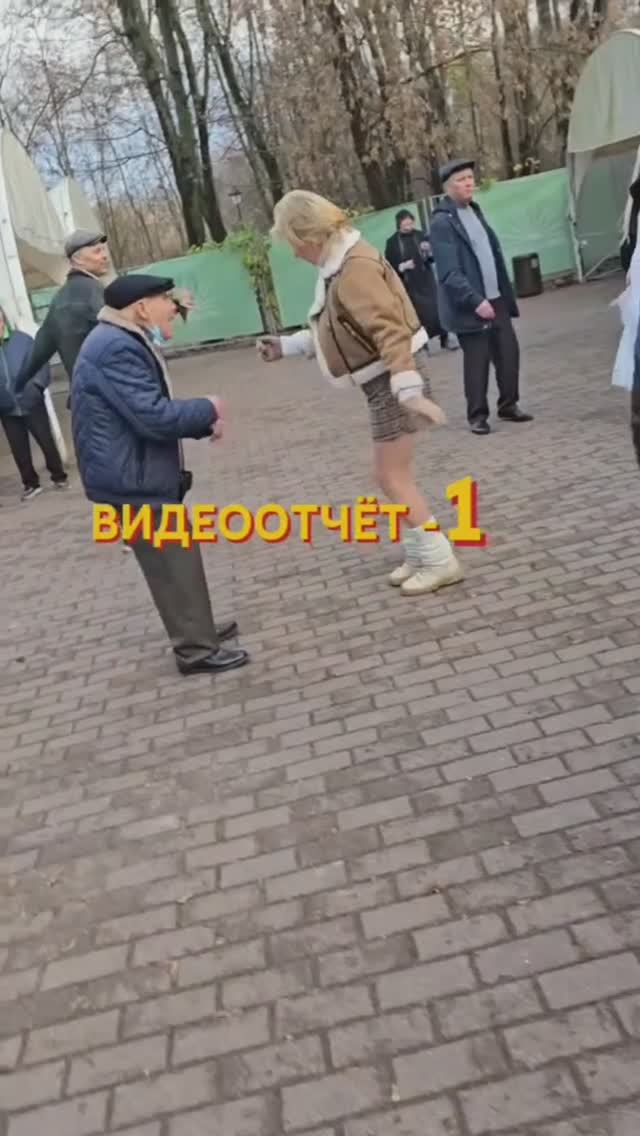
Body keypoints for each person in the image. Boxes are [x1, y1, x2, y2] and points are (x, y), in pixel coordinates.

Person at [257, 189, 463, 597]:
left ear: (308, 234)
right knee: (390, 476)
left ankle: (439, 560)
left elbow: (390, 329)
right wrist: (289, 346)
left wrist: (408, 391)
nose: (294, 253)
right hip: (389, 380)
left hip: (393, 380)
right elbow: (342, 329)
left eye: (293, 242)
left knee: (392, 477)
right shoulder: (343, 264)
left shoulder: (354, 268)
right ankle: (422, 553)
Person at [71, 273, 250, 676]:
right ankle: (196, 650)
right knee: (171, 563)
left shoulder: (117, 337)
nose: (172, 306)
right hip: (132, 479)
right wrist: (209, 407)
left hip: (132, 473)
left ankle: (197, 628)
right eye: (165, 299)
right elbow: (152, 415)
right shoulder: (115, 346)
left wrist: (203, 423)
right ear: (140, 307)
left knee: (176, 557)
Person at [430, 158, 533, 435]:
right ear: (448, 187)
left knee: (508, 354)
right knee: (477, 361)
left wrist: (500, 296)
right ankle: (477, 416)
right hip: (470, 304)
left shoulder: (475, 211)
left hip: (495, 299)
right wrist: (476, 301)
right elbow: (449, 273)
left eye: (470, 178)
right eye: (461, 179)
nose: (468, 183)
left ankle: (508, 405)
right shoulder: (442, 222)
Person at [14, 229, 112, 412]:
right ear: (77, 260)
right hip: (110, 398)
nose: (105, 256)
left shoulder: (59, 300)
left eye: (104, 250)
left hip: (83, 401)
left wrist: (17, 386)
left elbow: (38, 352)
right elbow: (120, 340)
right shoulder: (95, 292)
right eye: (97, 251)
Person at [0, 303, 68, 500]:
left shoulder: (22, 340)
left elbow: (40, 363)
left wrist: (36, 387)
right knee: (19, 448)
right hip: (6, 408)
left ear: (3, 319)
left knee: (45, 440)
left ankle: (58, 476)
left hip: (31, 401)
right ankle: (30, 483)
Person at [385, 209, 457, 352]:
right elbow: (390, 266)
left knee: (437, 309)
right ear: (399, 224)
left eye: (410, 224)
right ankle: (423, 345)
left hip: (426, 279)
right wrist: (403, 266)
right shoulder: (392, 242)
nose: (408, 227)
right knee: (418, 314)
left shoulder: (420, 235)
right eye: (405, 225)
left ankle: (445, 339)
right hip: (409, 283)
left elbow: (432, 258)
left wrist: (429, 250)